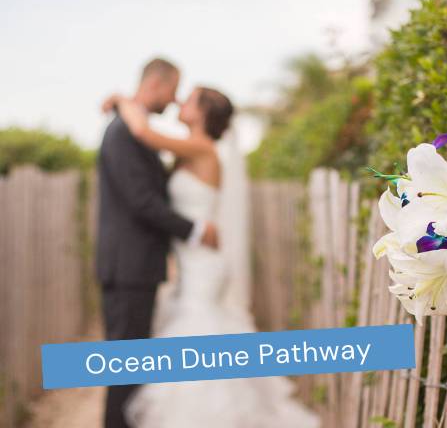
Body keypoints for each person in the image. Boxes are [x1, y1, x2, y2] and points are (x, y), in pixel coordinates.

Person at [104, 84, 320, 428]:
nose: (179, 101)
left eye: (187, 99)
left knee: (198, 333)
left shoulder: (202, 148)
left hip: (203, 266)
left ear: (202, 113)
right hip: (194, 263)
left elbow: (142, 130)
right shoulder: (189, 152)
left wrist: (120, 100)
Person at [96, 58, 219, 428]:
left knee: (132, 367)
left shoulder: (136, 130)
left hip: (136, 267)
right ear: (156, 84)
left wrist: (119, 99)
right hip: (128, 268)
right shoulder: (124, 132)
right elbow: (142, 202)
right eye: (173, 88)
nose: (176, 98)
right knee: (125, 368)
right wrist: (194, 230)